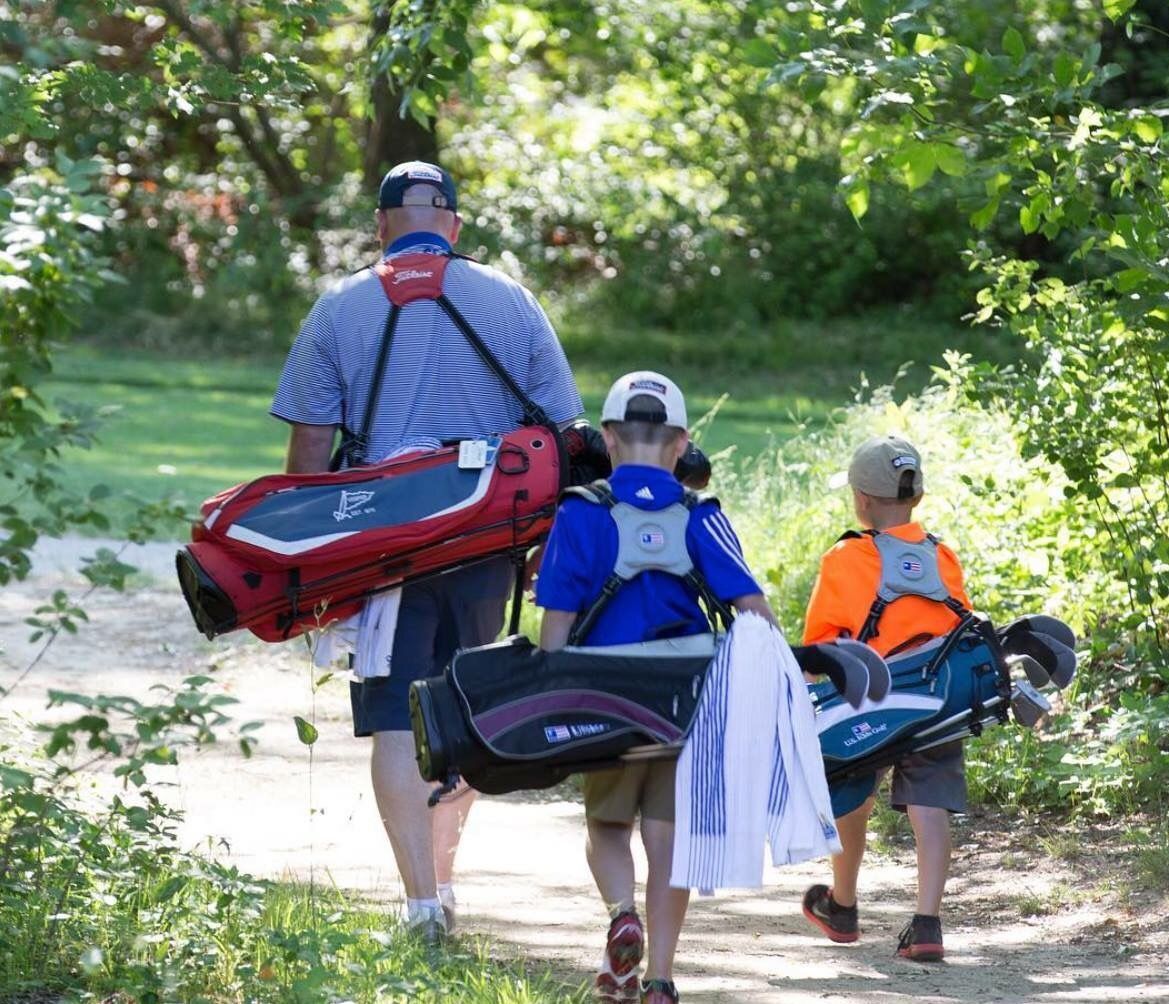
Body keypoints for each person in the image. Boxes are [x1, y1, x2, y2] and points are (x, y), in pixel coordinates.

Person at [270, 161, 583, 940]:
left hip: (384, 547)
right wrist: (552, 544)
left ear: (379, 225)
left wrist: (305, 566)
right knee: (465, 709)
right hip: (488, 538)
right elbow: (566, 435)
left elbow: (309, 448)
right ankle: (445, 880)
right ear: (453, 224)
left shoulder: (341, 305)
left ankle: (418, 905)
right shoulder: (512, 300)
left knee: (391, 717)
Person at [536, 371, 776, 1004]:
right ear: (681, 444)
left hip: (606, 696)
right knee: (667, 834)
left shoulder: (580, 513)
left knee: (607, 826)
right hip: (687, 699)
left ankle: (622, 912)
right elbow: (754, 612)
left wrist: (554, 698)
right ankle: (662, 979)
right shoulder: (702, 516)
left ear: (608, 439)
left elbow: (554, 628)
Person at [799, 434, 973, 962]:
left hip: (872, 703)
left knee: (851, 787)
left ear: (862, 499)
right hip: (937, 701)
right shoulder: (942, 555)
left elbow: (820, 646)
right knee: (930, 803)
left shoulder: (845, 557)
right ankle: (927, 923)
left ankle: (844, 905)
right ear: (915, 497)